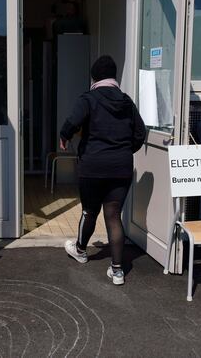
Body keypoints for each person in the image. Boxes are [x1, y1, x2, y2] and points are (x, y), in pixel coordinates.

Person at [61, 55, 146, 285]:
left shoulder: (89, 98)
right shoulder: (127, 102)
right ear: (114, 76)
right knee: (113, 215)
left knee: (90, 210)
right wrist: (125, 151)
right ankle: (117, 271)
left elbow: (72, 121)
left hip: (92, 166)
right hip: (121, 167)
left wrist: (64, 136)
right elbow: (141, 133)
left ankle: (80, 250)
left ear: (94, 77)